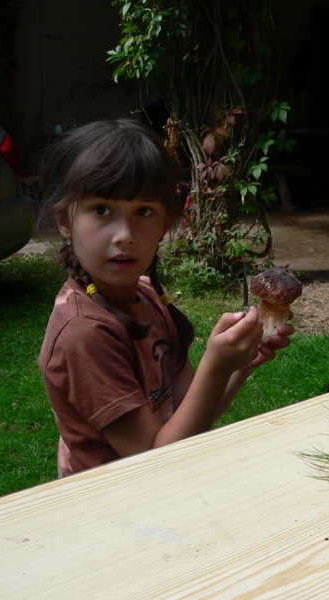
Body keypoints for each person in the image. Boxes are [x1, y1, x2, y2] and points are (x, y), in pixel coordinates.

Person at [38, 119, 293, 477]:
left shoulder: (147, 294)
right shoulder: (84, 335)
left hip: (157, 490)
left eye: (143, 212)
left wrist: (239, 366)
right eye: (101, 210)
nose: (124, 235)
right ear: (65, 220)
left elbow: (188, 412)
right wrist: (216, 364)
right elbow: (155, 461)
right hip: (109, 506)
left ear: (165, 223)